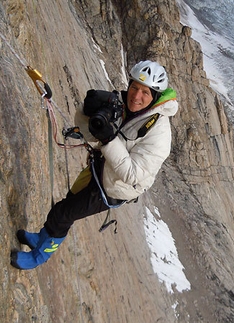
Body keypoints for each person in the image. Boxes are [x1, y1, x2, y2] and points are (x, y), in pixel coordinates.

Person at [11, 60, 179, 270]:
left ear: (155, 96)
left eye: (145, 92)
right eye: (134, 87)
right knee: (66, 205)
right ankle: (42, 239)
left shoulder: (160, 134)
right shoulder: (125, 108)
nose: (136, 96)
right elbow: (89, 134)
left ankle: (38, 257)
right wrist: (86, 110)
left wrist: (109, 139)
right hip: (101, 168)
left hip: (115, 187)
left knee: (64, 213)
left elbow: (133, 174)